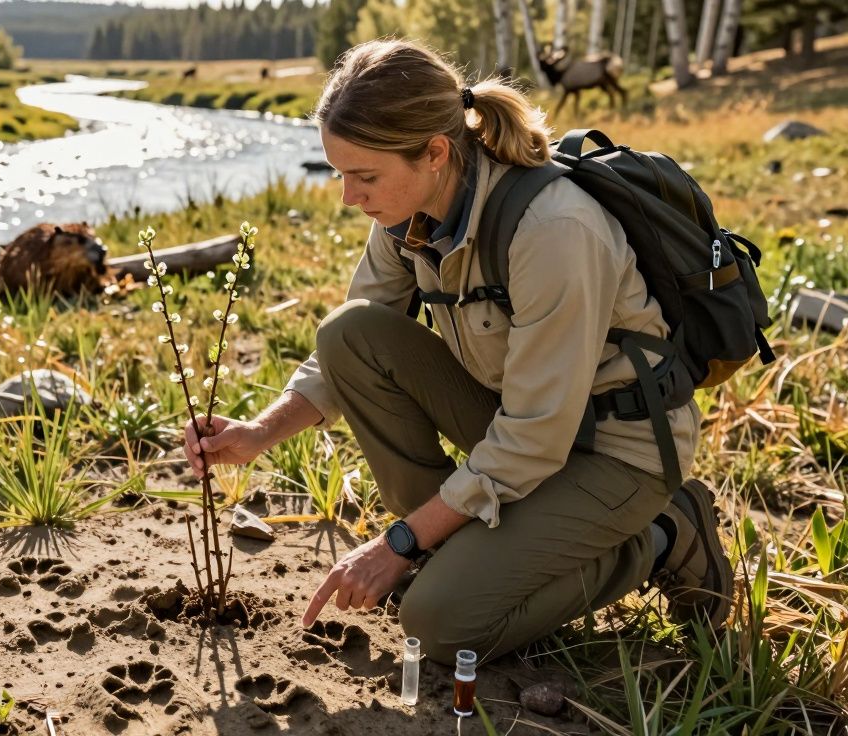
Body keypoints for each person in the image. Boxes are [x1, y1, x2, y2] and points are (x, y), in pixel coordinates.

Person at [183, 39, 732, 665]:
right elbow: (353, 342)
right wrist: (259, 432)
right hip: (521, 429)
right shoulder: (407, 212)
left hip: (615, 450)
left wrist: (398, 543)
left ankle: (665, 535)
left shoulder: (555, 231)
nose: (348, 197)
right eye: (340, 174)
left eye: (364, 176)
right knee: (349, 332)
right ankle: (456, 552)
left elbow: (534, 437)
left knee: (438, 625)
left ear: (436, 152)